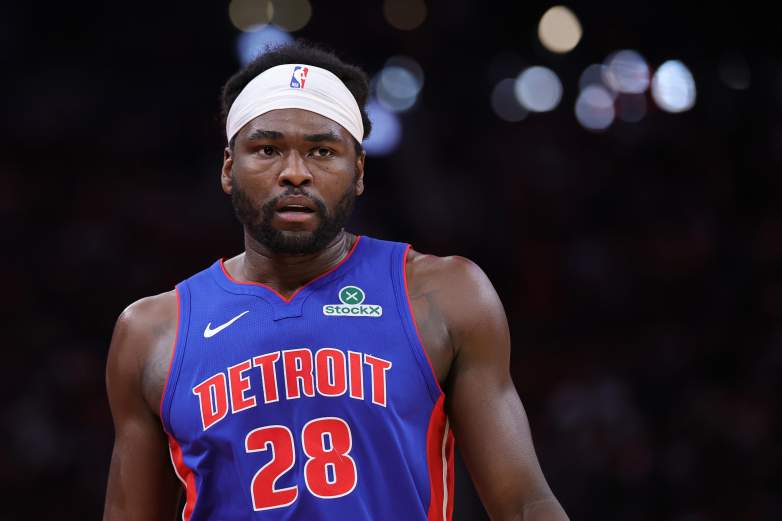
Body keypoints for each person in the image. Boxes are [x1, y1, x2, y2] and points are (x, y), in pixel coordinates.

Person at [102, 41, 569, 521]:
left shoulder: (444, 294)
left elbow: (524, 503)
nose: (295, 173)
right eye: (267, 149)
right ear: (228, 168)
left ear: (359, 171)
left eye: (322, 151)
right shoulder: (151, 332)